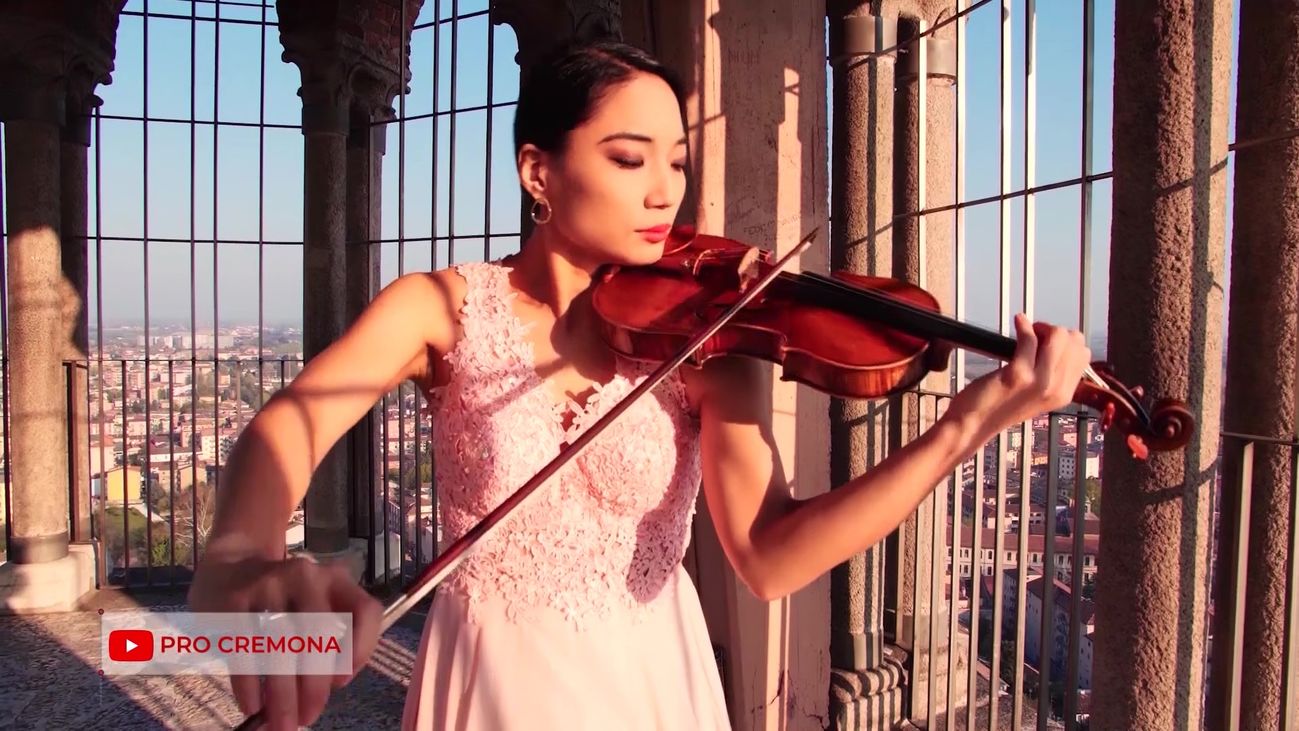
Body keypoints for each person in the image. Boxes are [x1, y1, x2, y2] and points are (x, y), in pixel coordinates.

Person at [188, 39, 1092, 731]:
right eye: (629, 158)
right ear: (538, 170)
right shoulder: (439, 306)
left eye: (677, 160)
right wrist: (238, 557)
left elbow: (770, 555)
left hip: (652, 684)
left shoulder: (712, 335)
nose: (665, 190)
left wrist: (967, 424)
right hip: (493, 687)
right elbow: (292, 425)